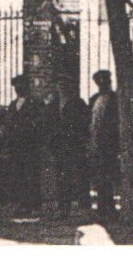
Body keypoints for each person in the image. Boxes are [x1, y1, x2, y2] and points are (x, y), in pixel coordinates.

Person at [47, 76, 90, 218]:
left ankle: (83, 207)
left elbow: (84, 124)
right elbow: (48, 124)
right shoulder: (53, 105)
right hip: (59, 147)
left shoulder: (79, 103)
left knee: (79, 176)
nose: (62, 88)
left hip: (75, 146)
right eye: (59, 85)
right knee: (61, 177)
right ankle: (63, 207)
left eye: (65, 85)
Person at [0, 74, 42, 214]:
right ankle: (20, 204)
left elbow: (38, 124)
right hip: (15, 146)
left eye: (21, 85)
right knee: (18, 176)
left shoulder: (35, 103)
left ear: (26, 86)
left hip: (30, 146)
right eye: (16, 86)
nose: (18, 88)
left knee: (31, 176)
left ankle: (34, 206)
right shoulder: (13, 105)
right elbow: (8, 125)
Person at [88, 69, 121, 218]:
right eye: (99, 82)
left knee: (109, 176)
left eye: (105, 81)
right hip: (96, 142)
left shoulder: (115, 99)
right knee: (99, 176)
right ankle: (102, 208)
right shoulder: (94, 99)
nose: (102, 84)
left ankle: (110, 208)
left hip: (109, 144)